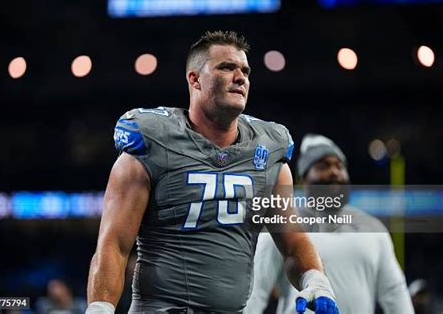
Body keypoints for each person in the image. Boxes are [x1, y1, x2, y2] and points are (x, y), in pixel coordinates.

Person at [86, 31, 338, 313]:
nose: (240, 77)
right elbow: (114, 246)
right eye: (227, 67)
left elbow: (294, 243)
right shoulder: (152, 141)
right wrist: (100, 307)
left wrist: (315, 278)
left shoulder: (269, 153)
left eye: (245, 70)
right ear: (194, 79)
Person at [244, 134, 415, 314]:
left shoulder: (373, 228)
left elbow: (394, 292)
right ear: (303, 179)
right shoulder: (282, 225)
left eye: (339, 166)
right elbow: (255, 292)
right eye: (323, 166)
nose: (334, 172)